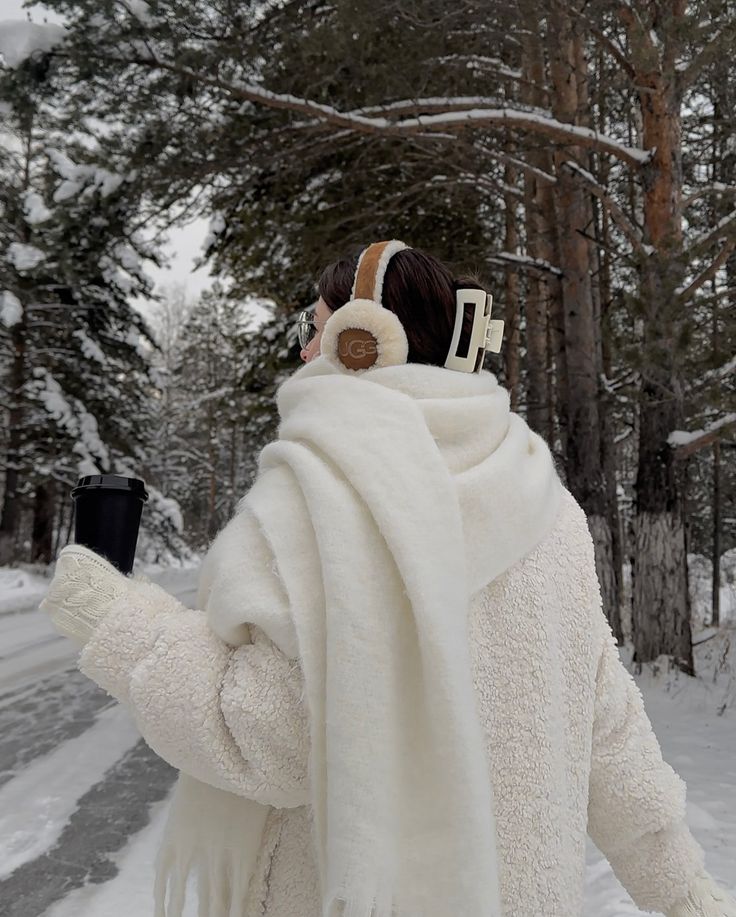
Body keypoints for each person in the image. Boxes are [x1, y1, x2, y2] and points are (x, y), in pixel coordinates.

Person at [41, 240, 735, 917]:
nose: (304, 352)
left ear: (360, 341)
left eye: (313, 329)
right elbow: (609, 735)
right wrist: (685, 895)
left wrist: (121, 623)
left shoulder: (332, 506)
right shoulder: (547, 509)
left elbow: (268, 739)